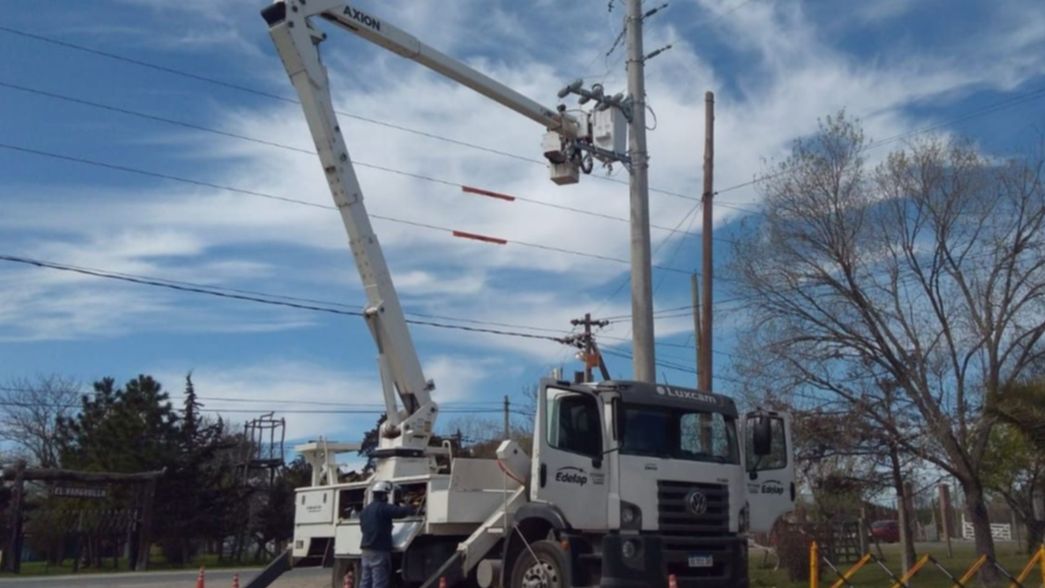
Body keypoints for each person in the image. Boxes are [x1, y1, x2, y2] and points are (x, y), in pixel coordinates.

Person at [359, 480, 416, 588]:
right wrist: (411, 508)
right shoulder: (383, 508)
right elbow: (399, 512)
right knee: (379, 582)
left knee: (365, 581)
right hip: (379, 550)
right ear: (384, 495)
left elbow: (363, 528)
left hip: (365, 550)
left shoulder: (365, 511)